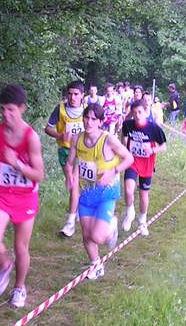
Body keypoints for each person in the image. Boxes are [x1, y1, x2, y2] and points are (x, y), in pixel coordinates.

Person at [0, 84, 45, 309]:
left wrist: (17, 164)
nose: (6, 114)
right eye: (2, 109)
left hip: (25, 196)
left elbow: (39, 175)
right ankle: (4, 264)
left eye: (11, 109)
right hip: (2, 193)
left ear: (22, 108)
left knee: (21, 247)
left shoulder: (31, 138)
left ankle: (19, 287)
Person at [66, 103, 134, 280]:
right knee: (86, 235)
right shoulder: (77, 138)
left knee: (97, 237)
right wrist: (69, 175)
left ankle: (112, 226)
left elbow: (129, 158)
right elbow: (70, 162)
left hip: (106, 194)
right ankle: (96, 265)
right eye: (86, 118)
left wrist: (113, 171)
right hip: (86, 194)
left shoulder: (108, 140)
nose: (89, 122)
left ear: (100, 122)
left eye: (93, 119)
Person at [121, 99, 167, 236]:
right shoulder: (128, 124)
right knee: (128, 189)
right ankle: (130, 212)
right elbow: (123, 136)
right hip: (132, 161)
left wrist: (152, 150)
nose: (137, 115)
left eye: (140, 112)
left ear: (146, 112)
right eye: (134, 113)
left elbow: (163, 147)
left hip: (147, 164)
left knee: (143, 194)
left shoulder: (153, 128)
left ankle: (142, 221)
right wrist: (125, 149)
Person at [44, 80, 84, 237]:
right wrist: (60, 135)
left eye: (76, 94)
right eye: (70, 94)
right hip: (65, 151)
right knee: (73, 184)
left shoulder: (87, 109)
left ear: (82, 95)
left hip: (83, 152)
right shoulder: (60, 109)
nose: (72, 97)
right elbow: (47, 129)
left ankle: (70, 222)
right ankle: (77, 212)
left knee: (75, 184)